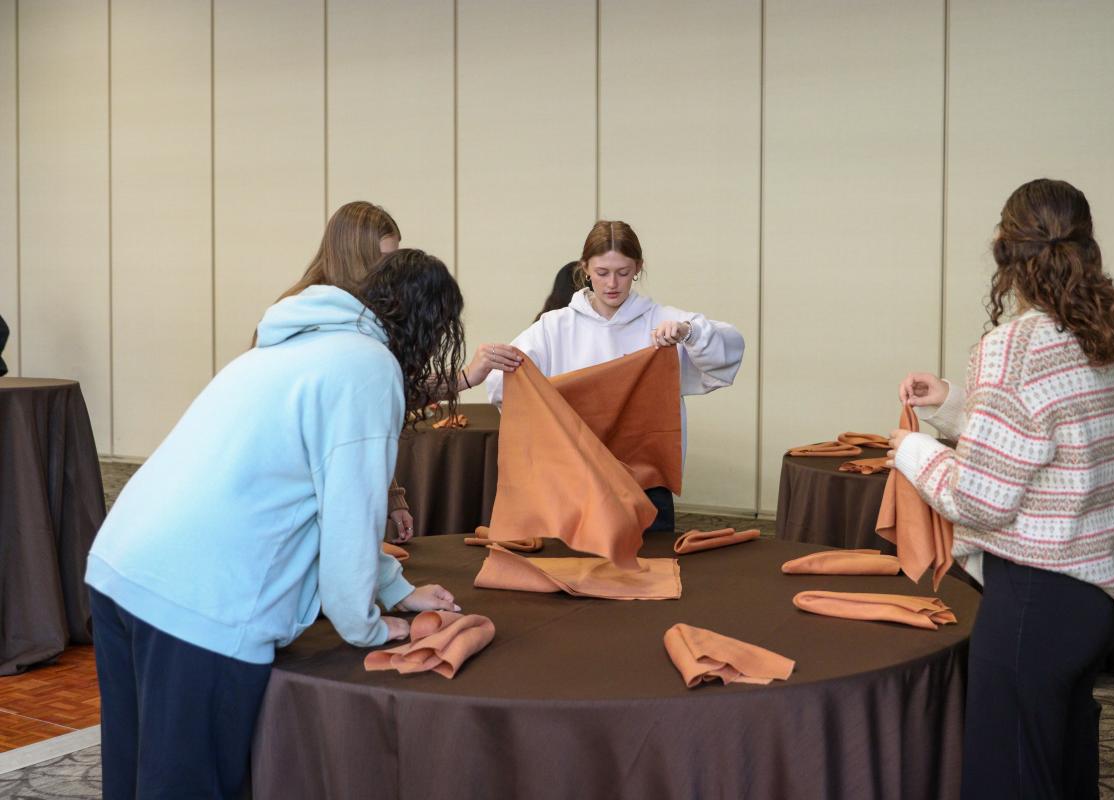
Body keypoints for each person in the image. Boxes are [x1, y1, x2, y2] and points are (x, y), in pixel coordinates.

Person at [85, 249, 467, 799]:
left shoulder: (295, 343)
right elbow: (349, 513)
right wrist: (369, 625)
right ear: (430, 326)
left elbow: (297, 492)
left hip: (123, 565)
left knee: (135, 774)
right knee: (192, 785)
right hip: (203, 600)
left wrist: (393, 587)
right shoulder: (369, 366)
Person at [888, 179, 1114, 799]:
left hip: (1034, 601)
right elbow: (1045, 432)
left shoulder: (1013, 347)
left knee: (1012, 781)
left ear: (1005, 251)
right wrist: (951, 403)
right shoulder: (1097, 330)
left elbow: (980, 498)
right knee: (1065, 767)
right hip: (1092, 598)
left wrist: (915, 454)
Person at [269, 201, 521, 541]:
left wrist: (392, 495)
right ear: (356, 259)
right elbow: (361, 428)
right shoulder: (333, 334)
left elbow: (374, 412)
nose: (393, 274)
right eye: (385, 261)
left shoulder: (337, 319)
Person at [486, 220, 744, 532]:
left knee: (652, 569)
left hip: (644, 482)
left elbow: (729, 346)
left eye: (622, 273)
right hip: (573, 479)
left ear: (638, 268)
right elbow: (505, 386)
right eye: (602, 273)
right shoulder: (555, 327)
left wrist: (688, 332)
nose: (612, 283)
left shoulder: (660, 320)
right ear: (585, 268)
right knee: (575, 571)